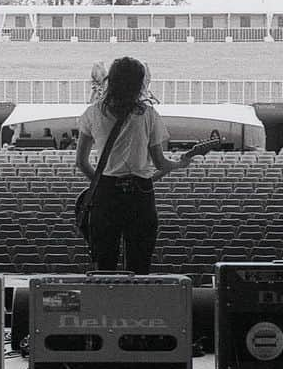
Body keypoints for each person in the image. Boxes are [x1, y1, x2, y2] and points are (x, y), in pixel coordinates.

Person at [75, 56, 194, 274]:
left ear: (111, 80)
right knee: (140, 265)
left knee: (104, 265)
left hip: (106, 194)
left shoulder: (92, 113)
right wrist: (180, 164)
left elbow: (81, 162)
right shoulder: (148, 114)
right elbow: (159, 162)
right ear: (139, 84)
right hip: (140, 195)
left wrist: (102, 183)